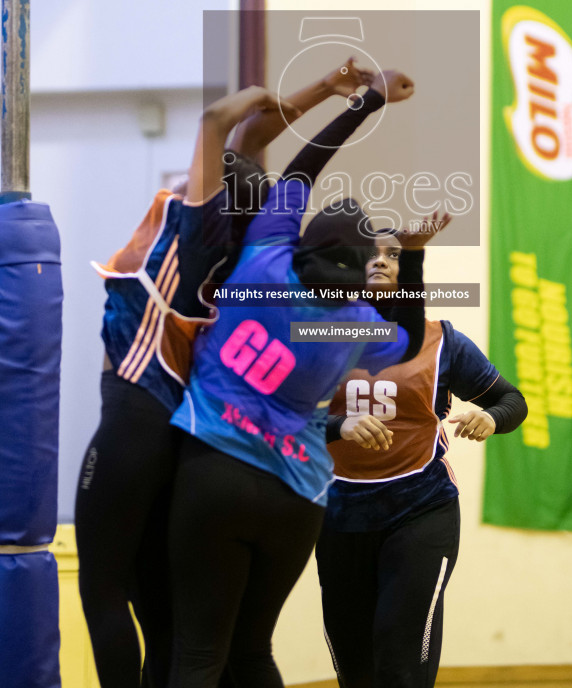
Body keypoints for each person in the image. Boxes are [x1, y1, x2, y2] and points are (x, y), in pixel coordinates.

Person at [74, 60, 372, 688]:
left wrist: (268, 96)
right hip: (191, 438)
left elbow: (223, 127)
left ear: (204, 192)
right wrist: (327, 92)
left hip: (138, 410)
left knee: (103, 591)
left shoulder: (193, 226)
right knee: (170, 625)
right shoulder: (250, 259)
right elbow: (252, 149)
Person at [167, 72, 450, 688]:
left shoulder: (267, 259)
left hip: (218, 466)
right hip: (298, 499)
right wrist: (414, 256)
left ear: (304, 244)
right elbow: (405, 329)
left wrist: (368, 99)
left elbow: (300, 171)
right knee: (253, 652)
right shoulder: (356, 328)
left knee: (196, 655)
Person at [315, 231, 528, 688]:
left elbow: (513, 401)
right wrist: (338, 427)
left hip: (420, 509)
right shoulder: (319, 336)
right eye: (370, 253)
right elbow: (275, 421)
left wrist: (492, 417)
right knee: (355, 665)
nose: (381, 261)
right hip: (338, 514)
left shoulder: (443, 341)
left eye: (393, 254)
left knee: (400, 658)